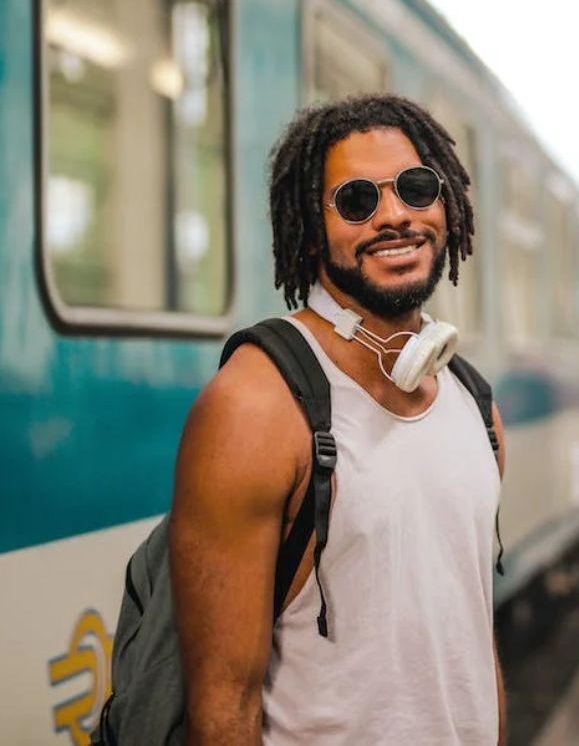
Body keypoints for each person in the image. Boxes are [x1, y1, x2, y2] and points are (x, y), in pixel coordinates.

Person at [167, 94, 505, 744]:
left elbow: (471, 646)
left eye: (415, 188)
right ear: (312, 227)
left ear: (446, 204)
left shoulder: (474, 405)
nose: (396, 215)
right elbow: (222, 708)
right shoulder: (254, 407)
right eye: (356, 200)